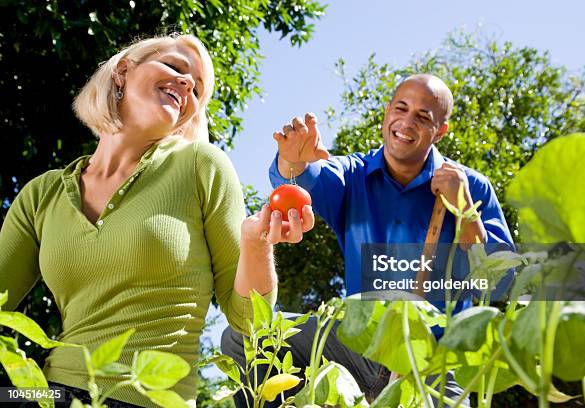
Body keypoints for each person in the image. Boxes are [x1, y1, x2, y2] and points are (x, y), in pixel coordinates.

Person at [0, 34, 314, 408]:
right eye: (175, 67)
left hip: (146, 401)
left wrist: (255, 244)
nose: (186, 84)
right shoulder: (43, 194)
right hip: (46, 394)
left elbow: (251, 324)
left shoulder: (201, 166)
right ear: (121, 73)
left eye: (197, 88)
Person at [222, 74, 514, 406]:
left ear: (440, 131)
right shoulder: (352, 173)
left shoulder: (471, 186)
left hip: (432, 360)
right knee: (246, 338)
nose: (406, 122)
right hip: (356, 347)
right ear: (386, 113)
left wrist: (467, 212)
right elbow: (306, 179)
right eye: (401, 109)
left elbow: (502, 280)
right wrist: (293, 159)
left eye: (423, 117)